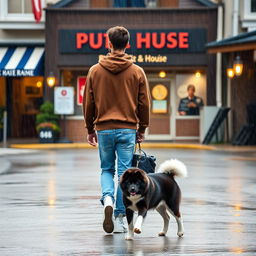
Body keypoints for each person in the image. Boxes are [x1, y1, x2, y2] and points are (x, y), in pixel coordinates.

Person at [82, 26, 150, 234]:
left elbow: (88, 103)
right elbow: (144, 103)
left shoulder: (94, 70)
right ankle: (120, 215)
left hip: (103, 128)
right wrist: (142, 127)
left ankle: (108, 199)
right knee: (124, 172)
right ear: (128, 44)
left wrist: (90, 128)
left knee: (106, 169)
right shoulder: (137, 71)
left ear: (108, 44)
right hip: (127, 129)